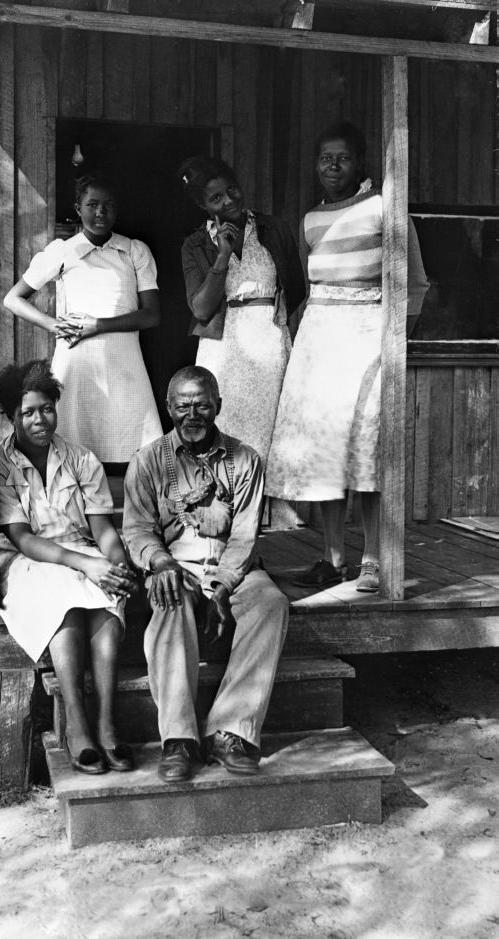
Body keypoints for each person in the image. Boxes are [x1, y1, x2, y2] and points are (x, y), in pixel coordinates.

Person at [266, 122, 428, 592]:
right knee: (324, 451)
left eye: (342, 157)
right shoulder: (311, 218)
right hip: (319, 344)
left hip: (366, 341)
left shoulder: (384, 208)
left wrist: (393, 343)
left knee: (367, 450)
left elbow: (414, 283)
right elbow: (308, 287)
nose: (332, 166)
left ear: (360, 162)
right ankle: (333, 558)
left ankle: (374, 560)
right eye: (324, 158)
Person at [123, 365, 288, 783]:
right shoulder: (147, 462)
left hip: (235, 568)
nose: (192, 414)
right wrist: (160, 563)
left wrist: (221, 586)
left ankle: (230, 732)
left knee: (271, 603)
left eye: (202, 405)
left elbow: (245, 535)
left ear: (218, 406)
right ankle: (178, 739)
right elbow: (138, 528)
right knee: (169, 600)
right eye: (183, 406)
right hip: (177, 564)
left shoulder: (246, 460)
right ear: (168, 408)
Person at [0, 359, 137, 774]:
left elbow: (103, 530)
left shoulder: (80, 459)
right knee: (65, 597)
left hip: (81, 553)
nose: (40, 420)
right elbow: (23, 538)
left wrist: (116, 563)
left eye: (46, 409)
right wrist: (87, 564)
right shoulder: (1, 465)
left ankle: (108, 721)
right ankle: (76, 722)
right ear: (11, 417)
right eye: (28, 412)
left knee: (106, 596)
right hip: (28, 560)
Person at [3, 173, 162, 466]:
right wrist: (54, 324)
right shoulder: (62, 251)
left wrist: (97, 325)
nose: (101, 212)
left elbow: (152, 314)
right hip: (76, 358)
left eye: (109, 205)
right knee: (72, 448)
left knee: (130, 446)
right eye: (92, 204)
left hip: (123, 359)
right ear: (78, 208)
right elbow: (13, 298)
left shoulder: (134, 251)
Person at [179, 156, 304, 466]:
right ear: (202, 205)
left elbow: (297, 286)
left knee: (268, 432)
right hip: (222, 348)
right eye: (216, 198)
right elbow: (201, 307)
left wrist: (272, 326)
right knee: (223, 429)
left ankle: (264, 513)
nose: (229, 200)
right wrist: (221, 257)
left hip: (269, 342)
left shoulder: (272, 228)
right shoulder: (195, 244)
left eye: (232, 189)